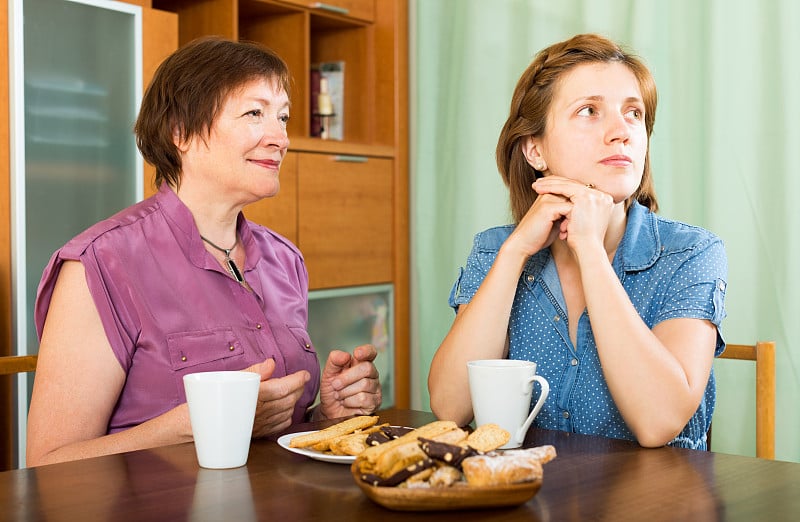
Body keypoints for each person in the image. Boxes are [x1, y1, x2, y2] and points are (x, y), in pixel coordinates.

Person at [27, 36, 382, 466]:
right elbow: (49, 463)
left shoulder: (285, 259)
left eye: (283, 117)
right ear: (181, 132)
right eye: (255, 113)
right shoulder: (100, 264)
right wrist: (199, 423)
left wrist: (326, 415)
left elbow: (273, 434)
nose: (281, 138)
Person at [428, 33, 727, 450]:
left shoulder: (690, 253)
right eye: (589, 111)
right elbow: (450, 405)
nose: (621, 132)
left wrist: (589, 250)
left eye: (634, 114)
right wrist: (515, 252)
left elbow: (659, 422)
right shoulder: (495, 250)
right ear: (535, 149)